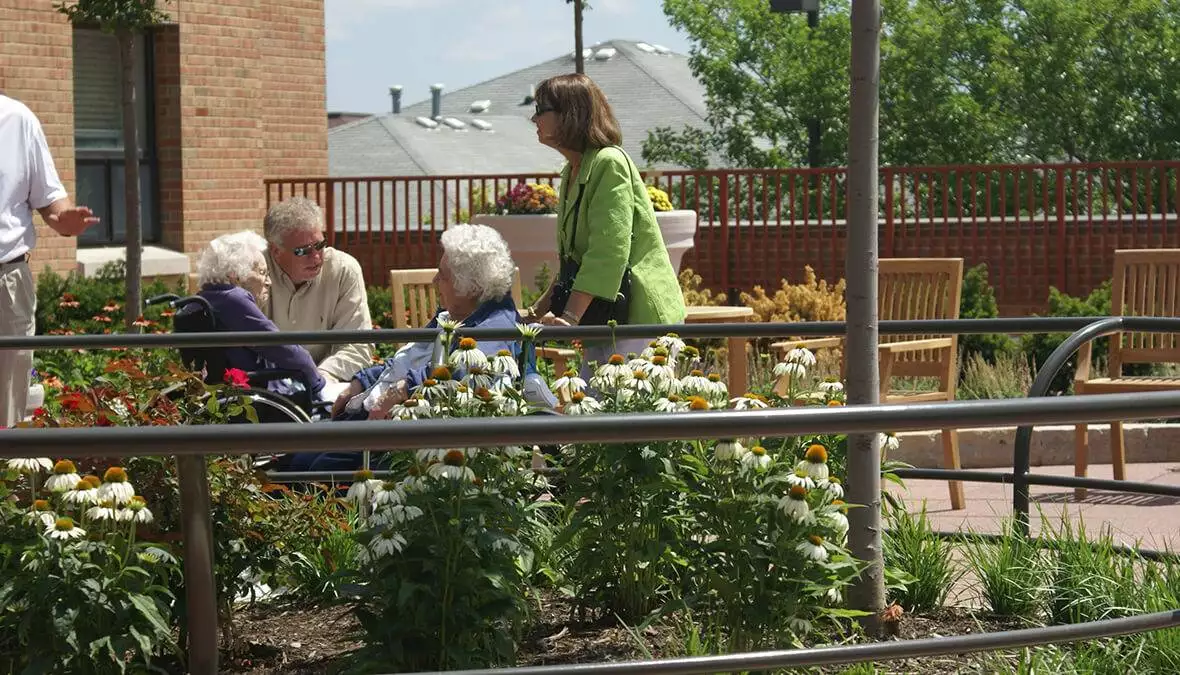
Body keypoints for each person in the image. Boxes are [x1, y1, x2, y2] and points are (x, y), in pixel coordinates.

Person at [283, 224, 557, 472]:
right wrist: (359, 382)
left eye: (443, 276)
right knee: (296, 458)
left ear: (470, 287)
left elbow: (463, 372)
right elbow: (410, 355)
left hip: (409, 434)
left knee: (314, 470)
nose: (436, 282)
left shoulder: (496, 327)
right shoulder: (452, 316)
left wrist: (401, 390)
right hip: (380, 418)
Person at [522, 73, 686, 373]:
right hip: (608, 320)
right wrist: (534, 312)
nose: (534, 118)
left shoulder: (608, 163)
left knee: (612, 414)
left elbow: (607, 251)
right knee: (592, 412)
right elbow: (575, 262)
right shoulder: (573, 171)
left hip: (639, 320)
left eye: (541, 109)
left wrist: (569, 319)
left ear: (569, 114)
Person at [0, 94, 100, 426]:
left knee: (6, 410)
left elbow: (50, 197)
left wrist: (63, 218)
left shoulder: (17, 119)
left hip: (6, 282)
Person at [195, 231, 325, 400]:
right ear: (236, 275)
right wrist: (318, 383)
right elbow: (278, 346)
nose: (269, 282)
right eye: (263, 273)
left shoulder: (207, 296)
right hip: (261, 397)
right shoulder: (233, 299)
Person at [262, 197, 373, 391]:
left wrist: (320, 378)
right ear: (275, 251)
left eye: (320, 246)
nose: (315, 257)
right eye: (302, 251)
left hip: (325, 386)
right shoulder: (255, 271)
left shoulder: (343, 269)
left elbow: (358, 345)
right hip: (264, 388)